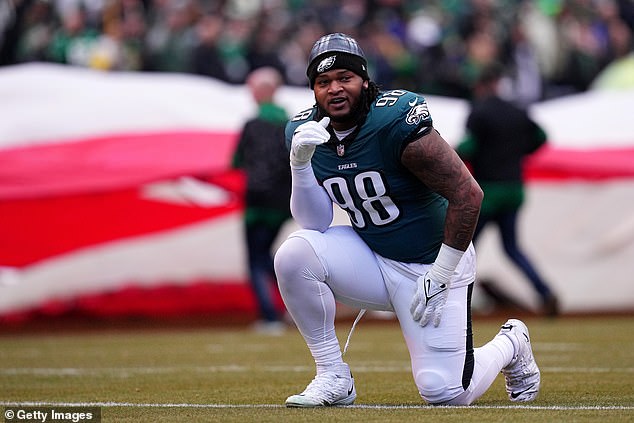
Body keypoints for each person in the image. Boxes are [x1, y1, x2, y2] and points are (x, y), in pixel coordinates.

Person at [273, 33, 541, 407]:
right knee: (293, 255)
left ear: (364, 80)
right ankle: (332, 375)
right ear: (313, 89)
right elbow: (314, 222)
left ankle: (512, 342)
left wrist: (442, 273)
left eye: (344, 78)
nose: (334, 89)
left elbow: (468, 195)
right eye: (323, 82)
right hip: (372, 256)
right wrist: (299, 164)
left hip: (432, 263)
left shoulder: (393, 120)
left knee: (446, 392)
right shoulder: (306, 130)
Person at [456, 63, 559, 317]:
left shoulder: (478, 112)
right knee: (512, 248)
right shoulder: (517, 111)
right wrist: (517, 152)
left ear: (481, 86)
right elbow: (542, 137)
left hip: (488, 193)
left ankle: (455, 300)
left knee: (464, 249)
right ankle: (545, 292)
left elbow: (468, 147)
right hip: (514, 190)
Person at [232, 67, 291, 334]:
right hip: (281, 202)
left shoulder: (253, 125)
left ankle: (270, 316)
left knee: (256, 259)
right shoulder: (288, 124)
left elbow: (236, 162)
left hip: (257, 202)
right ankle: (294, 300)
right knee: (266, 256)